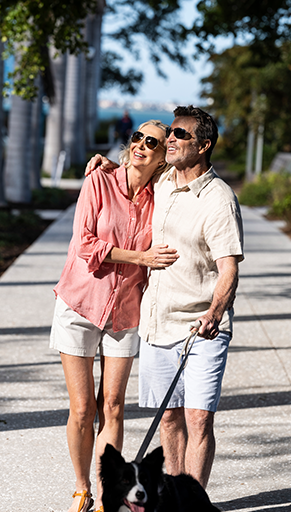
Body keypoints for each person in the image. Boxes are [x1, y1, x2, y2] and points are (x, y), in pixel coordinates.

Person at [86, 106, 243, 490]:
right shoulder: (165, 180)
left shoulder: (219, 199)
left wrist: (214, 313)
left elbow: (229, 269)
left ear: (203, 146)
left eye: (180, 135)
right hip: (158, 324)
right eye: (170, 133)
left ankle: (192, 508)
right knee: (168, 418)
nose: (170, 140)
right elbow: (135, 170)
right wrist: (108, 165)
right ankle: (174, 495)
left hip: (201, 327)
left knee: (199, 419)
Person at [52, 120, 178, 512]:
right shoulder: (99, 182)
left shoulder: (161, 195)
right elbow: (85, 244)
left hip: (125, 312)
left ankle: (109, 493)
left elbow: (192, 173)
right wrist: (139, 258)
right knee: (83, 407)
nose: (141, 145)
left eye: (152, 142)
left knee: (114, 405)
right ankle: (82, 486)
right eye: (137, 138)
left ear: (162, 156)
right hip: (79, 305)